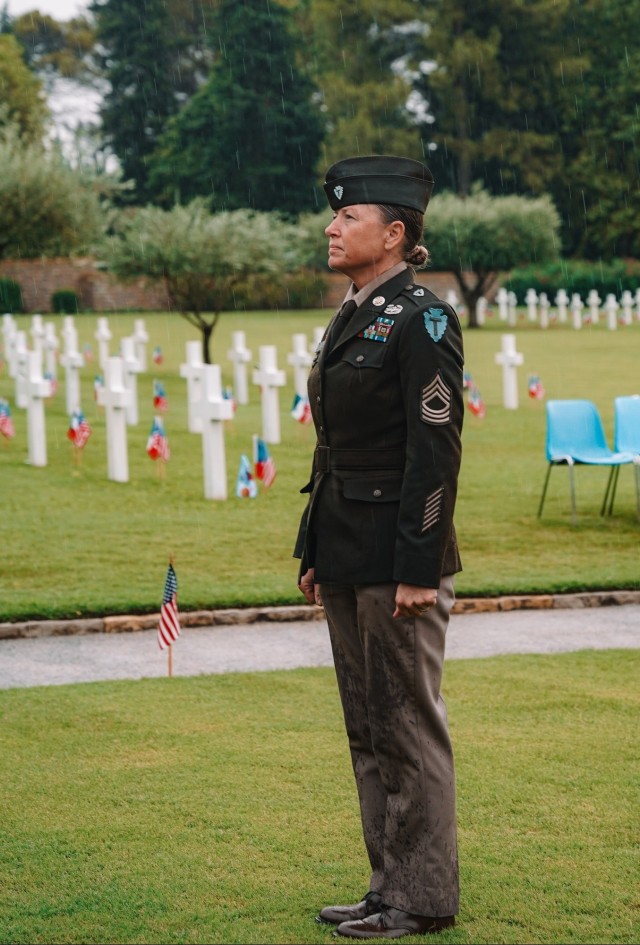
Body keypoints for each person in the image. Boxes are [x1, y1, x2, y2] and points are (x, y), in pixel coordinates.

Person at [294, 155, 464, 939]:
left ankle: (422, 897)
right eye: (335, 216)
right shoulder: (353, 311)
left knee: (407, 728)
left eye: (348, 217)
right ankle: (386, 885)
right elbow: (333, 446)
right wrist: (313, 547)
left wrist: (419, 567)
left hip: (399, 559)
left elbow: (435, 451)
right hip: (345, 548)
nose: (331, 228)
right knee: (367, 727)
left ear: (394, 234)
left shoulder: (424, 320)